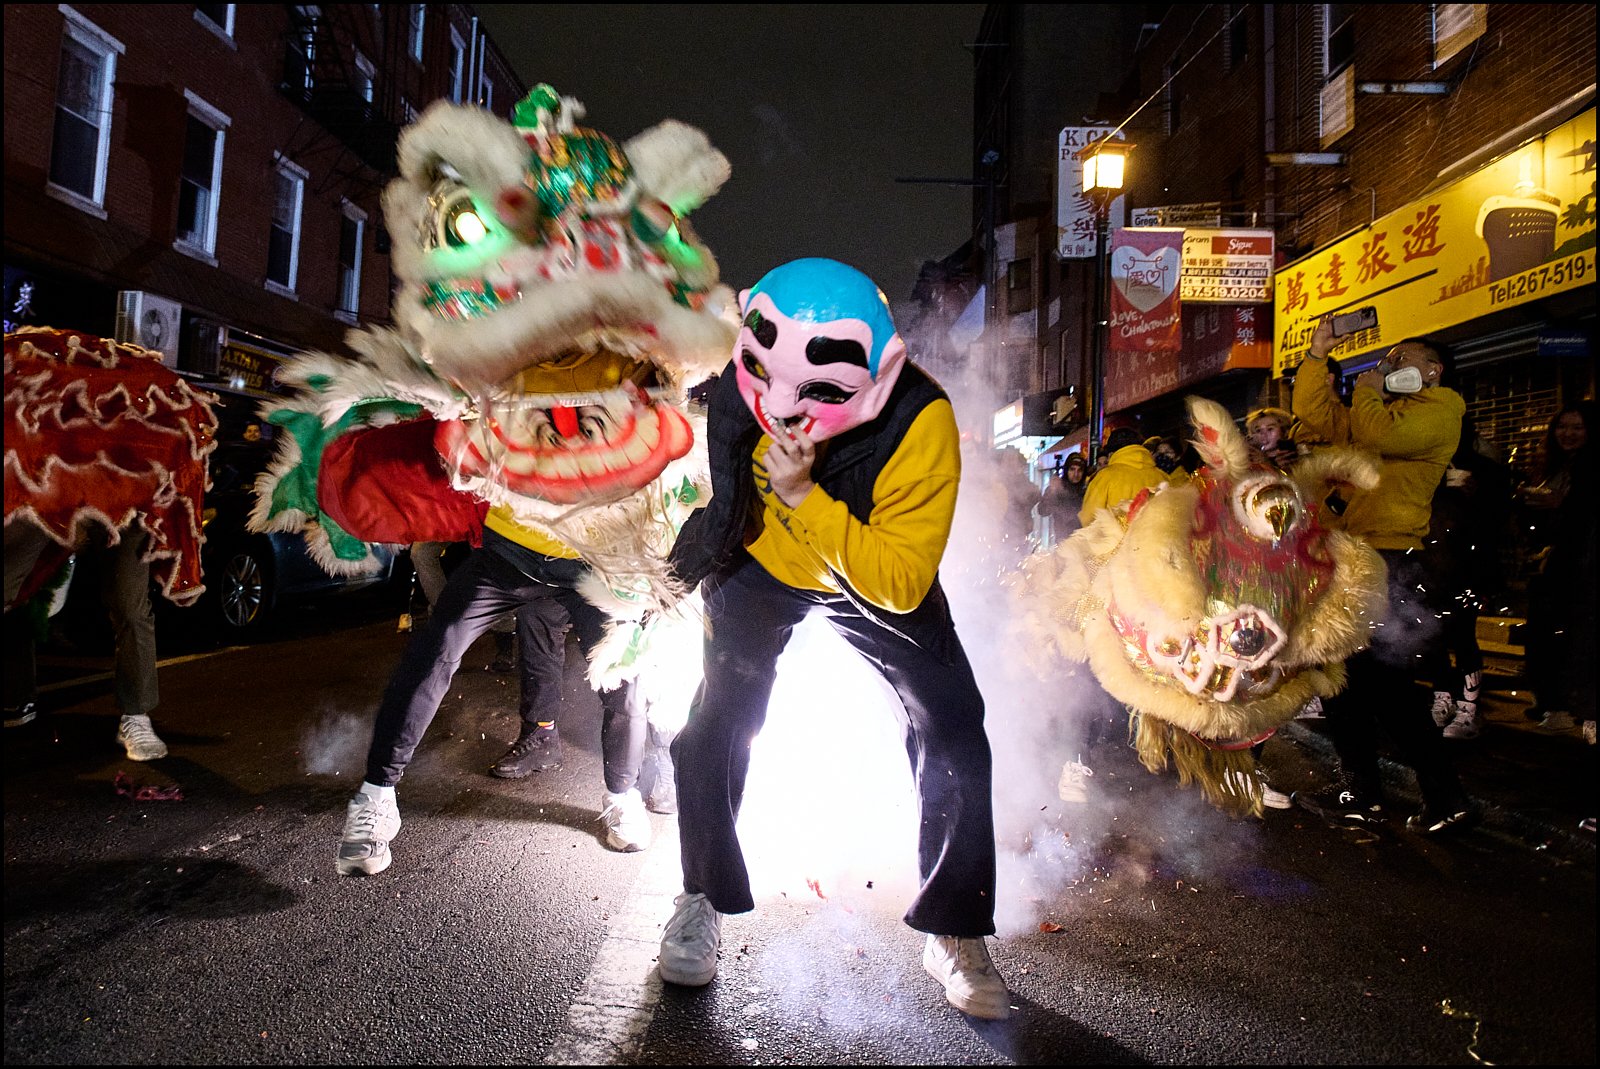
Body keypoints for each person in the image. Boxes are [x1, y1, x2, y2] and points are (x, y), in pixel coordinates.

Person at [655, 258, 1011, 1020]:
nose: (783, 411)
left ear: (881, 374)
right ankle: (701, 894)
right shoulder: (732, 388)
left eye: (818, 391)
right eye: (765, 380)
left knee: (953, 724)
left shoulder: (923, 423)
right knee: (713, 722)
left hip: (866, 571)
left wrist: (806, 498)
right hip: (764, 566)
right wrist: (673, 574)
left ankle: (953, 928)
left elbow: (901, 583)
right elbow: (723, 498)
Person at [336, 507, 653, 878]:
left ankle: (622, 795)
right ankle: (375, 796)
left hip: (588, 563)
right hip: (509, 557)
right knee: (435, 648)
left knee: (624, 674)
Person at [1290, 318, 1474, 835]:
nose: (1388, 365)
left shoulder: (1442, 409)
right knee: (1351, 680)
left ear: (1433, 371)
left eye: (1402, 358)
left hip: (1388, 563)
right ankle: (1403, 795)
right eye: (1386, 359)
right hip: (1357, 560)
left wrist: (1367, 388)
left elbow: (1376, 432)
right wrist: (1316, 357)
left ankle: (1384, 794)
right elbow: (1318, 416)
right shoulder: (1384, 412)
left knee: (1366, 683)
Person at [2, 522, 169, 760]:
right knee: (9, 582)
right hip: (58, 491)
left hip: (122, 501)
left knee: (129, 608)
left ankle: (136, 715)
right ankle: (15, 694)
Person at [1421, 414, 1514, 740]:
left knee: (1462, 634)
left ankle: (1469, 708)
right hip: (1429, 562)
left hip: (1466, 566)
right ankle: (1442, 696)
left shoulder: (1483, 467)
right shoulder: (1423, 461)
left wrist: (1477, 493)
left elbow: (1500, 514)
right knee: (1431, 633)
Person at [1517, 401, 1596, 734]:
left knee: (1575, 636)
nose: (1569, 434)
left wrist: (1562, 504)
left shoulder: (1590, 466)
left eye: (1577, 427)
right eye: (1562, 427)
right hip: (1551, 564)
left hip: (1583, 566)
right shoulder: (1551, 465)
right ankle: (1551, 701)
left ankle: (1571, 704)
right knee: (1544, 632)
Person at [407, 539, 519, 672]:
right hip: (453, 519)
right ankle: (447, 619)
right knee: (421, 552)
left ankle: (504, 639)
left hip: (480, 521)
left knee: (486, 558)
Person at [1078, 425, 1171, 528]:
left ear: (1112, 453)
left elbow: (1088, 518)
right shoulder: (1163, 477)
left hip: (1113, 543)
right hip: (1153, 542)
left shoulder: (1105, 476)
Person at [1037, 453, 1088, 543]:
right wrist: (1052, 492)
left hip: (1083, 541)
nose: (1076, 474)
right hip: (1062, 541)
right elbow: (1042, 511)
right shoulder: (1057, 488)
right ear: (1066, 470)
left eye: (1079, 470)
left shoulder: (1087, 490)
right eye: (1072, 469)